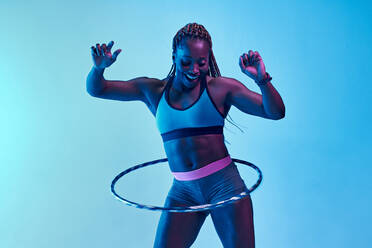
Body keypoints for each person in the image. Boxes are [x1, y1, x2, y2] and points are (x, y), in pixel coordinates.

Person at [86, 22, 285, 248]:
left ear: (209, 58)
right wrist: (98, 69)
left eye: (202, 62)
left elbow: (275, 112)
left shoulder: (222, 88)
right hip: (184, 192)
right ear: (174, 57)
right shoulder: (153, 91)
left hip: (224, 186)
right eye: (186, 62)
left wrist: (262, 79)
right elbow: (98, 89)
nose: (194, 70)